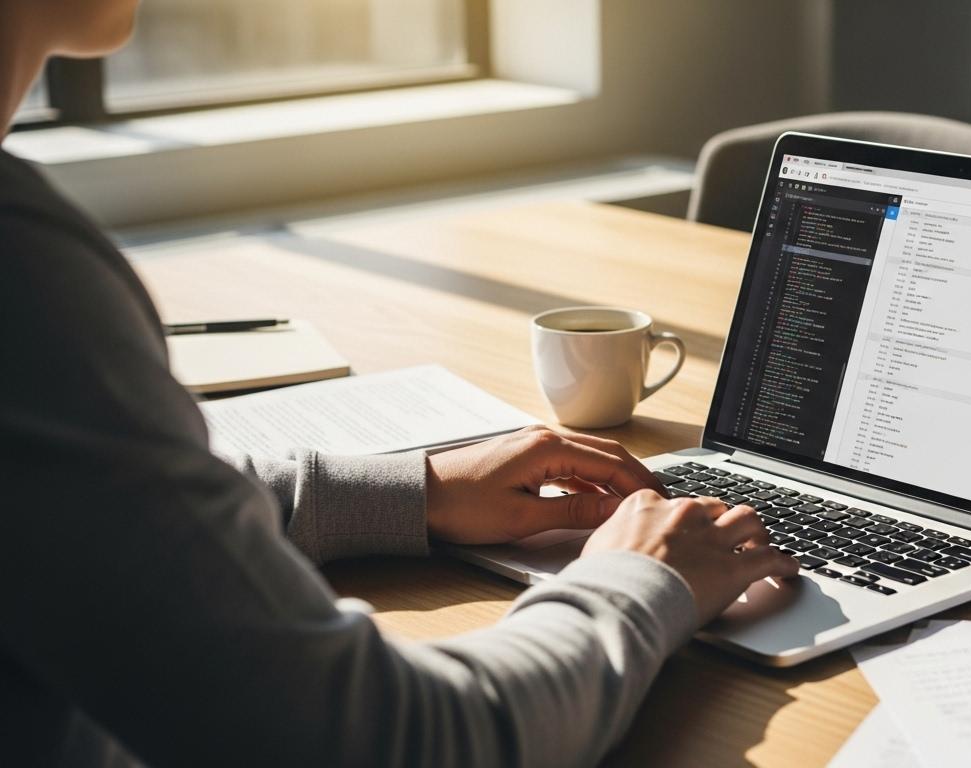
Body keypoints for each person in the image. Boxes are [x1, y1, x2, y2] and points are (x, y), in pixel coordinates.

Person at [0, 2, 798, 765]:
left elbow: (101, 517)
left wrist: (418, 491)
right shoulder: (25, 272)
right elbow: (396, 741)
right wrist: (639, 581)